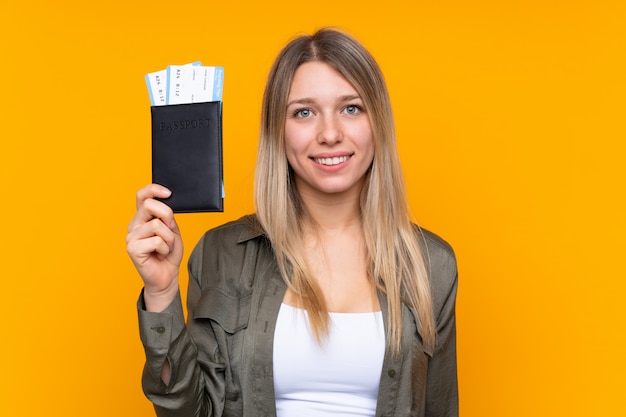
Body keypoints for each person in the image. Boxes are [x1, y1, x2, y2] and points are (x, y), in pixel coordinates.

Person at [126, 27, 458, 417]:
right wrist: (161, 292)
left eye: (351, 108)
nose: (330, 134)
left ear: (377, 123)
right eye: (304, 112)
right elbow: (186, 412)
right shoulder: (221, 254)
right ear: (277, 131)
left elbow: (440, 407)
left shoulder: (431, 265)